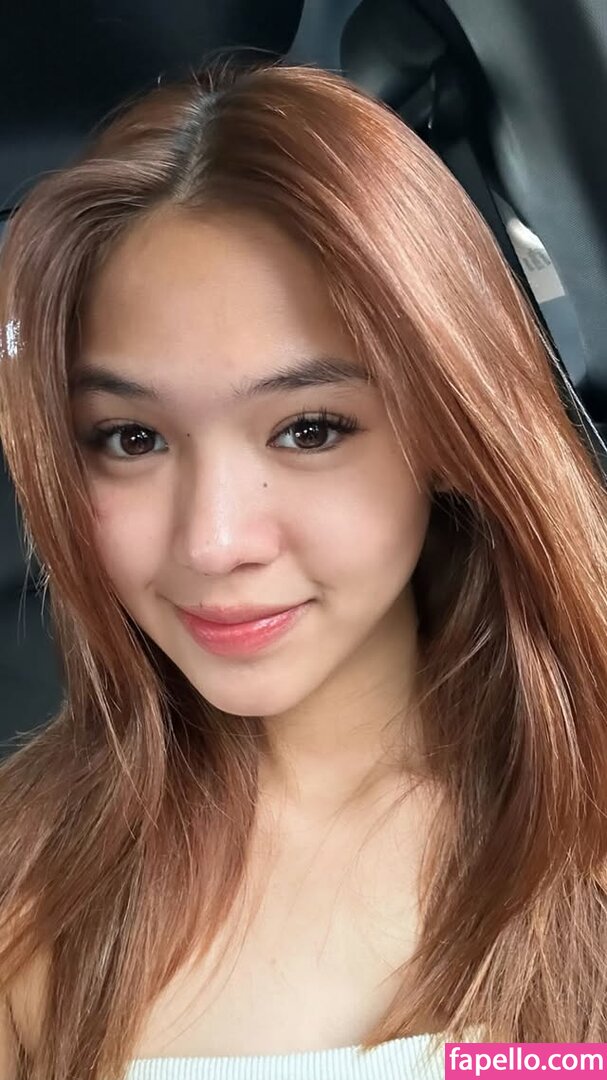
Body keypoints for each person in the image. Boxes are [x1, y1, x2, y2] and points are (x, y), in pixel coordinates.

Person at [0, 56, 606, 1080]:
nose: (213, 542)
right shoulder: (29, 884)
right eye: (131, 439)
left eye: (309, 429)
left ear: (448, 428)